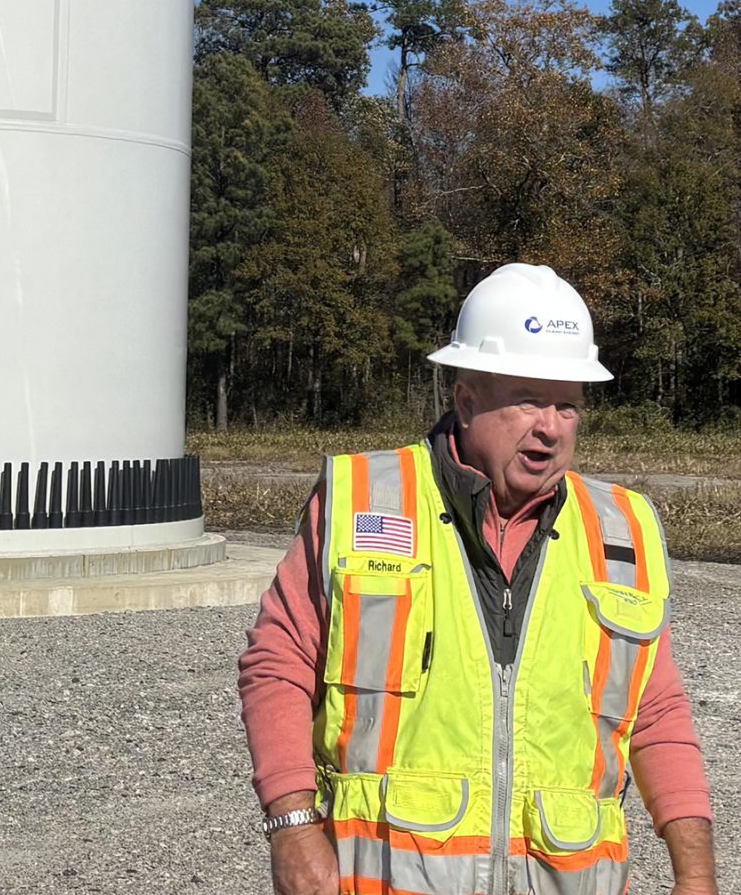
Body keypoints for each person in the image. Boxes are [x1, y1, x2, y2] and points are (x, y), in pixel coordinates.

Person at [238, 263, 717, 895]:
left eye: (567, 406)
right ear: (465, 401)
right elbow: (278, 663)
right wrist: (293, 828)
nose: (550, 426)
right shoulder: (366, 501)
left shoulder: (619, 531)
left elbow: (655, 713)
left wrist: (696, 873)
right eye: (528, 400)